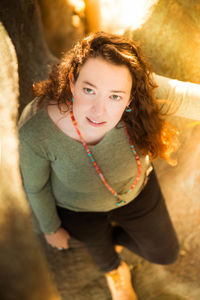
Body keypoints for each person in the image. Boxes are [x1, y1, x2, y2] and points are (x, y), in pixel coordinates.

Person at [18, 31, 200, 300]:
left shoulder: (139, 93)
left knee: (165, 253)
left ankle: (110, 239)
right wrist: (50, 227)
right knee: (101, 253)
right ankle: (115, 271)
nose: (98, 111)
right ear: (72, 81)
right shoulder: (36, 127)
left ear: (129, 97)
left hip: (137, 193)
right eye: (89, 90)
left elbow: (184, 96)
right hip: (79, 211)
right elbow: (36, 186)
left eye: (115, 96)